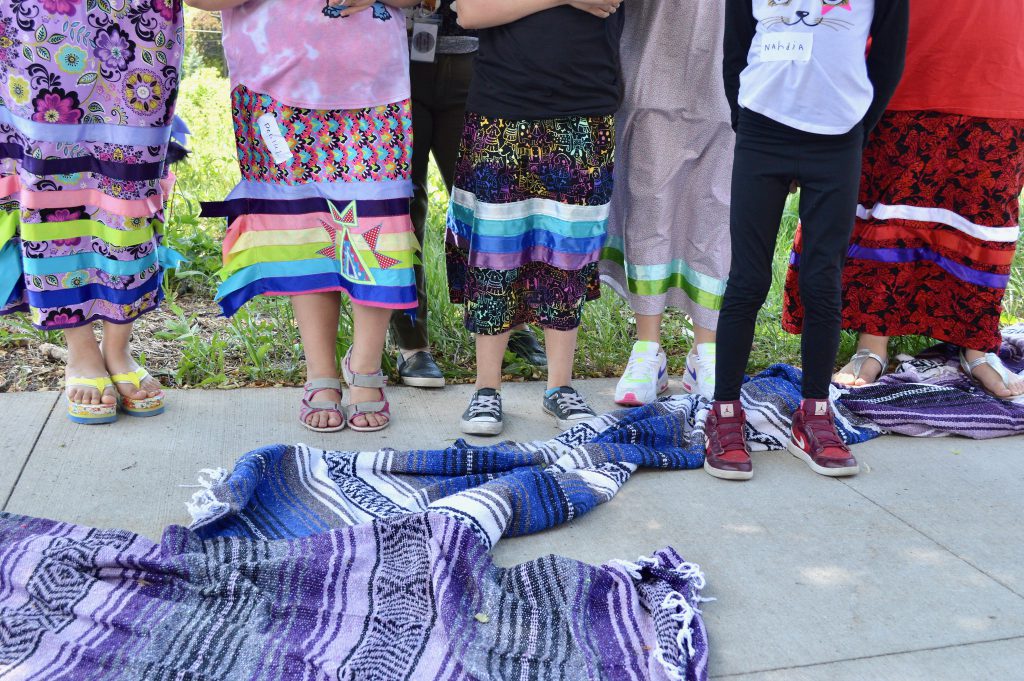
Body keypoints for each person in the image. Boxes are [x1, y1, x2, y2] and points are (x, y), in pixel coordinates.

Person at [190, 0, 421, 433]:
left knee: (376, 225)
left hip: (375, 87)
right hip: (272, 88)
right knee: (305, 230)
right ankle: (321, 373)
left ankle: (365, 366)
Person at [705, 0, 908, 480]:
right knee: (748, 279)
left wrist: (856, 128)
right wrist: (746, 120)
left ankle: (814, 414)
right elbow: (734, 52)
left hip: (837, 137)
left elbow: (889, 60)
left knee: (822, 279)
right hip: (761, 132)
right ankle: (725, 412)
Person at [784, 1, 1024, 402]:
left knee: (983, 220)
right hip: (900, 65)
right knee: (885, 209)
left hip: (999, 69)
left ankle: (977, 345)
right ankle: (872, 341)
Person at [0, 0, 185, 423]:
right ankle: (81, 351)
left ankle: (118, 349)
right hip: (34, 28)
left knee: (128, 184)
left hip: (139, 35)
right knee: (49, 185)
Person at [448, 0, 624, 435]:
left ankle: (559, 386)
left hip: (583, 109)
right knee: (494, 250)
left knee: (567, 251)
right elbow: (470, 12)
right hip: (501, 106)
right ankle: (486, 390)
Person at [394, 1, 548, 388]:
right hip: (391, 60)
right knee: (401, 208)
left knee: (489, 203)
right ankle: (411, 341)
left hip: (479, 59)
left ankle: (508, 323)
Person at [600, 0, 733, 406]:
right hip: (652, 70)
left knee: (716, 213)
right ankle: (647, 350)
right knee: (649, 210)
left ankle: (705, 352)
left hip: (731, 74)